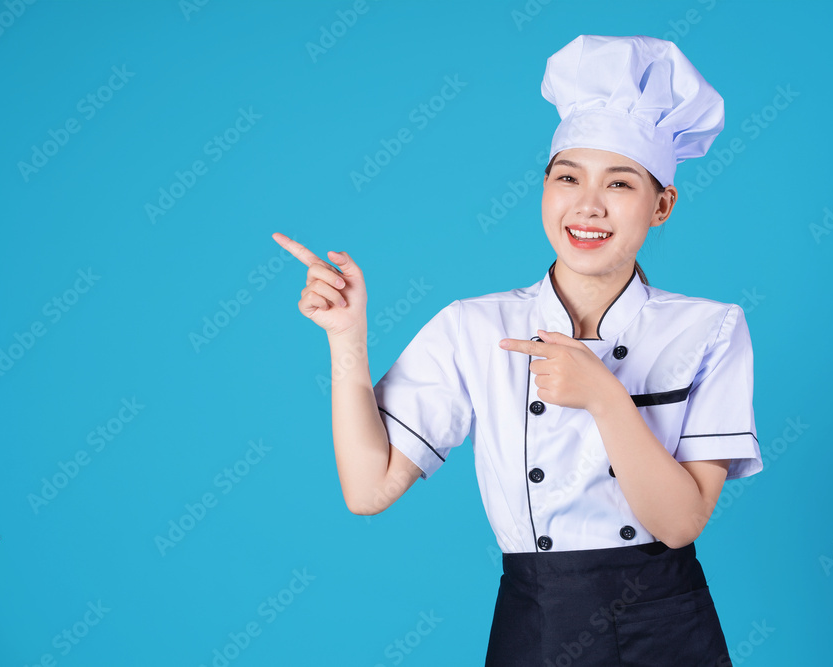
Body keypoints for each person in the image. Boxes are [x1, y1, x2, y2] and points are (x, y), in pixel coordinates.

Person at [274, 34, 762, 666]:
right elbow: (368, 490)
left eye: (620, 183)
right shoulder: (472, 327)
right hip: (536, 619)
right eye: (567, 177)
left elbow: (678, 524)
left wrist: (604, 397)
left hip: (666, 623)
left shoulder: (710, 328)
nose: (587, 205)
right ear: (544, 188)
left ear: (661, 205)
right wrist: (347, 339)